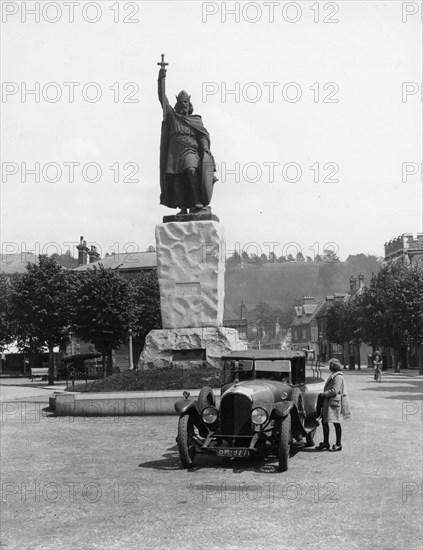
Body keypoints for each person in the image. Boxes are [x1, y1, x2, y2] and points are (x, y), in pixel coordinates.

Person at [157, 66, 217, 215]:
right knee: (176, 179)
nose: (183, 104)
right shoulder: (171, 116)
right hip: (174, 151)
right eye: (181, 102)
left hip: (190, 149)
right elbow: (162, 97)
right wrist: (161, 77)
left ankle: (197, 201)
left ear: (189, 104)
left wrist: (205, 149)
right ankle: (183, 208)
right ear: (177, 104)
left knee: (191, 170)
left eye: (186, 102)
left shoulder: (196, 119)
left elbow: (203, 136)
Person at [316, 358, 351, 452]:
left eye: (330, 365)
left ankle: (338, 444)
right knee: (324, 422)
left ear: (333, 367)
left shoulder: (338, 376)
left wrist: (324, 394)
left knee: (336, 423)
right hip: (329, 402)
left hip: (334, 403)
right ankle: (325, 442)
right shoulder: (334, 375)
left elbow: (335, 390)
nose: (329, 367)